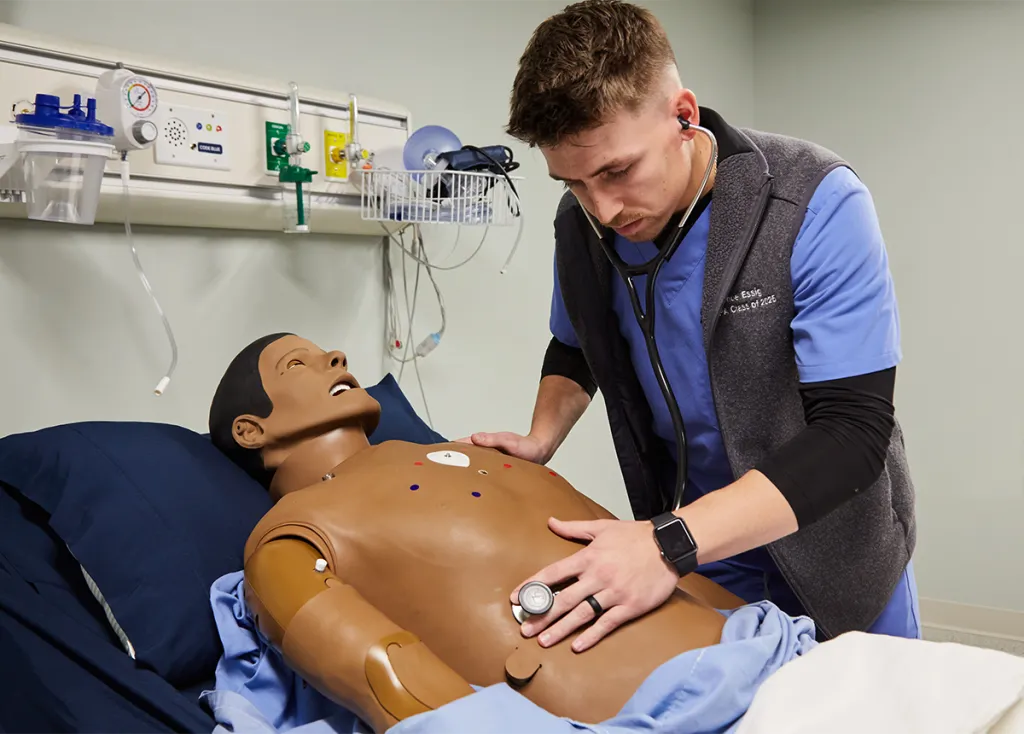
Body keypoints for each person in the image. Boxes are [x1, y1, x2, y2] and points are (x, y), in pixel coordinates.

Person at [463, 0, 919, 652]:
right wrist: (541, 437)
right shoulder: (582, 223)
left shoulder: (813, 199)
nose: (603, 207)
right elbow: (577, 343)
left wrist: (666, 541)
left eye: (617, 171)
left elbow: (852, 433)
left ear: (683, 115)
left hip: (833, 544)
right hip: (699, 547)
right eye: (573, 183)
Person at [206, 333, 813, 734]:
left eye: (327, 353)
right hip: (667, 711)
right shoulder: (289, 537)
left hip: (784, 655)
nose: (336, 359)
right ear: (251, 431)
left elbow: (649, 559)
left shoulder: (472, 453)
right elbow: (387, 675)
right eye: (299, 364)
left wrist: (805, 655)